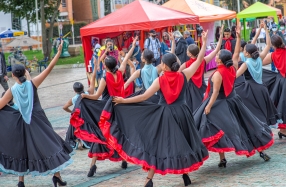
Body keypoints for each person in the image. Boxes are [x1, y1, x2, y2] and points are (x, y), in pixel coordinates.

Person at [109, 31, 213, 187]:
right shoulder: (184, 75)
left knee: (158, 146)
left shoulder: (161, 80)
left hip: (166, 114)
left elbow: (144, 97)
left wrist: (125, 100)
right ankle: (185, 175)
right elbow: (199, 60)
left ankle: (149, 179)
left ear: (164, 65)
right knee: (182, 143)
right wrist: (203, 42)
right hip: (183, 112)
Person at [193, 22, 274, 167]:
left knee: (214, 127)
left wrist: (208, 106)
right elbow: (236, 54)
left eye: (218, 55)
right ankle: (259, 151)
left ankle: (222, 158)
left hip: (220, 102)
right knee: (245, 126)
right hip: (233, 100)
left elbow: (216, 92)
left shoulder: (218, 73)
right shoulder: (232, 67)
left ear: (220, 60)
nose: (216, 56)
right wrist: (237, 37)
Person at [0, 42, 73, 187]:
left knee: (21, 149)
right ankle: (57, 176)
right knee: (49, 146)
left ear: (13, 75)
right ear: (23, 73)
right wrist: (58, 52)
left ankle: (21, 181)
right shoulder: (33, 83)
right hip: (39, 119)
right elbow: (50, 68)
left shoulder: (11, 91)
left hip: (23, 123)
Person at [71, 37, 138, 177]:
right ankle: (124, 159)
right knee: (119, 134)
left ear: (105, 66)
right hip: (120, 108)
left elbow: (96, 96)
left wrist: (84, 96)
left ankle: (92, 166)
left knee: (100, 135)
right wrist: (132, 45)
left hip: (107, 110)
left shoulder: (105, 78)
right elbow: (126, 59)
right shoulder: (120, 72)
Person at [235, 22, 280, 129]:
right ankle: (265, 129)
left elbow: (235, 76)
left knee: (253, 111)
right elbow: (268, 45)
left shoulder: (246, 63)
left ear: (247, 54)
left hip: (250, 90)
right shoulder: (260, 58)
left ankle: (257, 130)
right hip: (262, 88)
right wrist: (266, 31)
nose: (244, 51)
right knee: (263, 109)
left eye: (245, 50)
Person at [178, 27, 222, 112]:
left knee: (191, 108)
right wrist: (220, 36)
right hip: (202, 86)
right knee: (203, 105)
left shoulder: (186, 64)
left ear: (190, 54)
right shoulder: (203, 61)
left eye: (187, 50)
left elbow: (177, 73)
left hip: (190, 89)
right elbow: (216, 50)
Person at [63, 82, 91, 150]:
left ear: (74, 90)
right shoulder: (87, 94)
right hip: (88, 117)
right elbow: (92, 85)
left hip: (79, 118)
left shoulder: (74, 99)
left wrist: (72, 111)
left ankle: (77, 140)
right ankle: (84, 141)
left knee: (74, 126)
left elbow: (64, 107)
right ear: (83, 87)